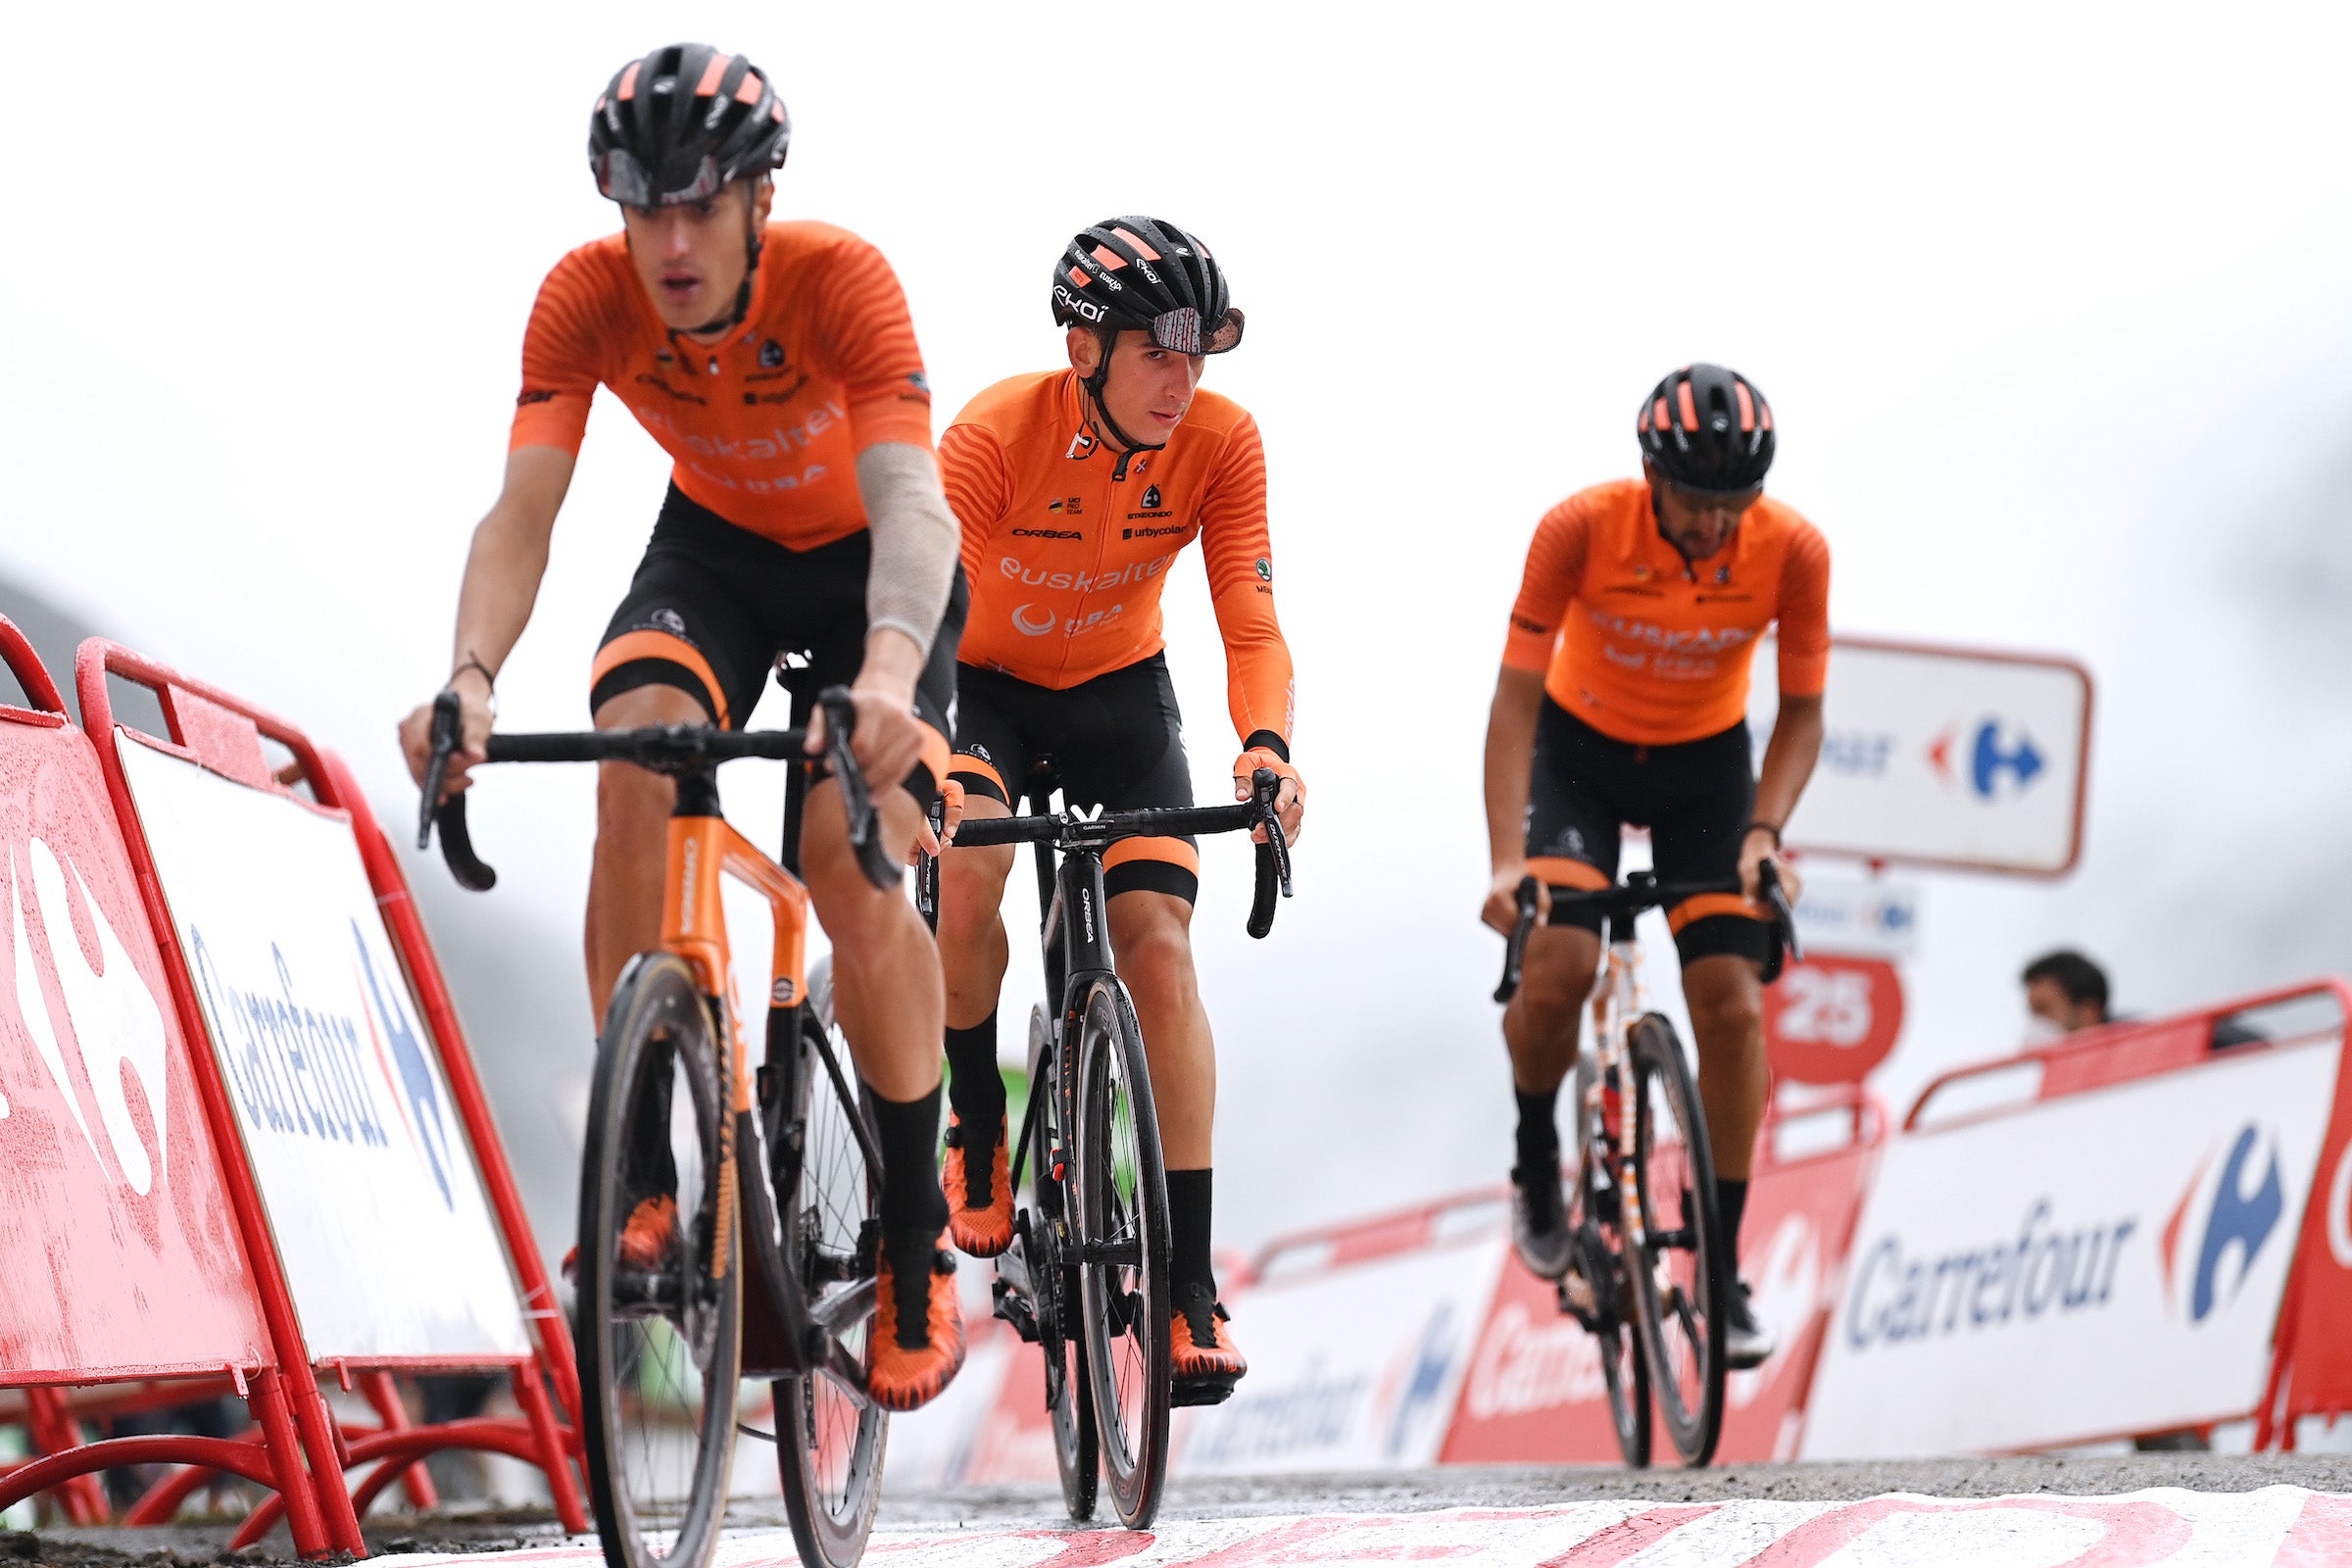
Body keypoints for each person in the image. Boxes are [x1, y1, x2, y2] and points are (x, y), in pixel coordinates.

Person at [397, 43, 968, 1410]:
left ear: (760, 199)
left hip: (869, 581)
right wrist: (469, 679)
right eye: (639, 208)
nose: (666, 242)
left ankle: (909, 1244)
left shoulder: (845, 283)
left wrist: (888, 678)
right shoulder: (584, 301)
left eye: (697, 207)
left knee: (852, 865)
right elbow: (519, 516)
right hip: (711, 549)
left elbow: (914, 508)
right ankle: (645, 1179)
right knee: (633, 750)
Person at [931, 217, 1303, 1406]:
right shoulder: (994, 436)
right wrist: (923, 752)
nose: (1182, 381)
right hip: (980, 689)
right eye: (1158, 352)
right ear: (1085, 347)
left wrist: (1267, 746)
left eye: (1200, 356)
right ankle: (979, 1118)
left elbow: (1248, 618)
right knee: (972, 867)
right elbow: (927, 610)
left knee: (1159, 951)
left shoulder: (1221, 443)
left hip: (1120, 700)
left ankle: (1189, 1280)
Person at [1480, 364, 1828, 1370]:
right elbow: (1512, 702)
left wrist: (1766, 831)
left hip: (1706, 776)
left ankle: (1718, 1266)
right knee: (1561, 966)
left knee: (1732, 1002)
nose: (1716, 528)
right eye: (1694, 504)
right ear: (1649, 476)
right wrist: (1509, 859)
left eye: (1735, 506)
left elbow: (1801, 712)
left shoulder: (1794, 549)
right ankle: (1537, 1151)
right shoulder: (1580, 528)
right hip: (1575, 756)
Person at [2021, 950, 2110, 1037]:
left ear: (2088, 1014)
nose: (2035, 1024)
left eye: (2043, 1010)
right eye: (2033, 1013)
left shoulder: (2123, 1048)